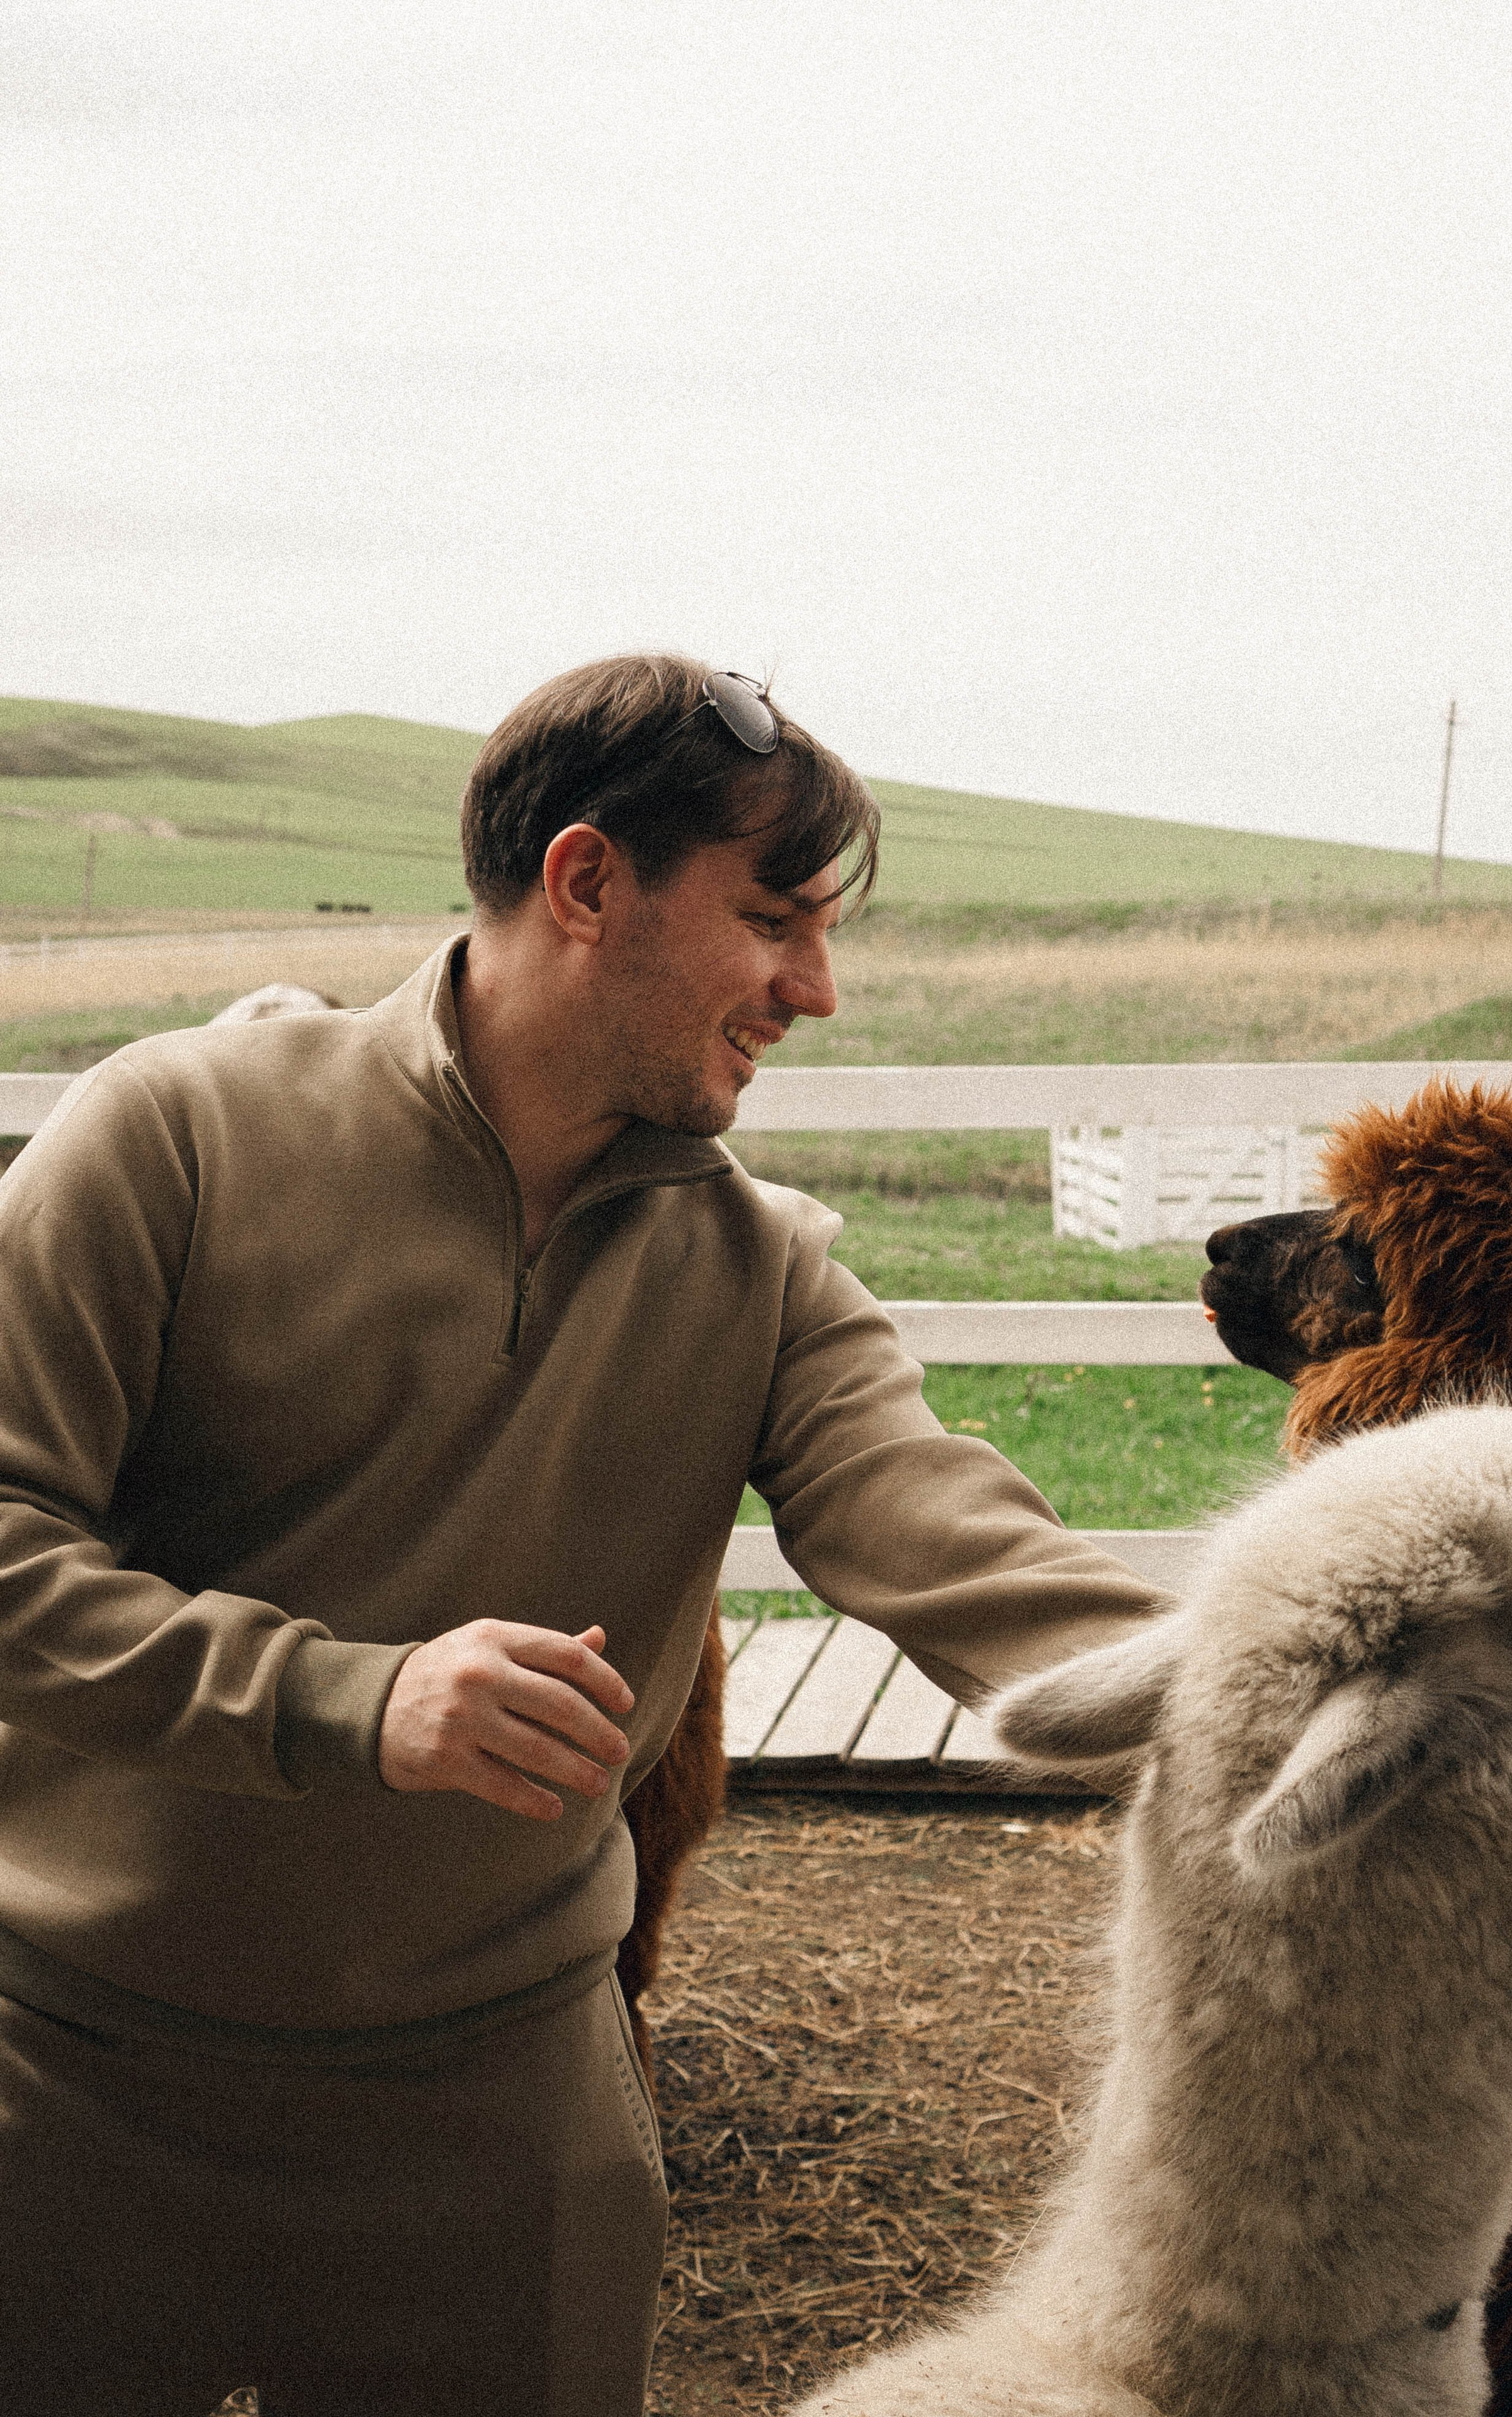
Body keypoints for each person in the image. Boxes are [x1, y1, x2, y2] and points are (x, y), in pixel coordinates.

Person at [0, 653, 1168, 2416]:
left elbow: (968, 1551)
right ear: (587, 883)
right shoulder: (171, 1133)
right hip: (66, 2081)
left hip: (500, 2123)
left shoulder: (764, 1275)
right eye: (776, 919)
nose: (818, 992)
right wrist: (344, 1700)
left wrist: (1319, 1686)